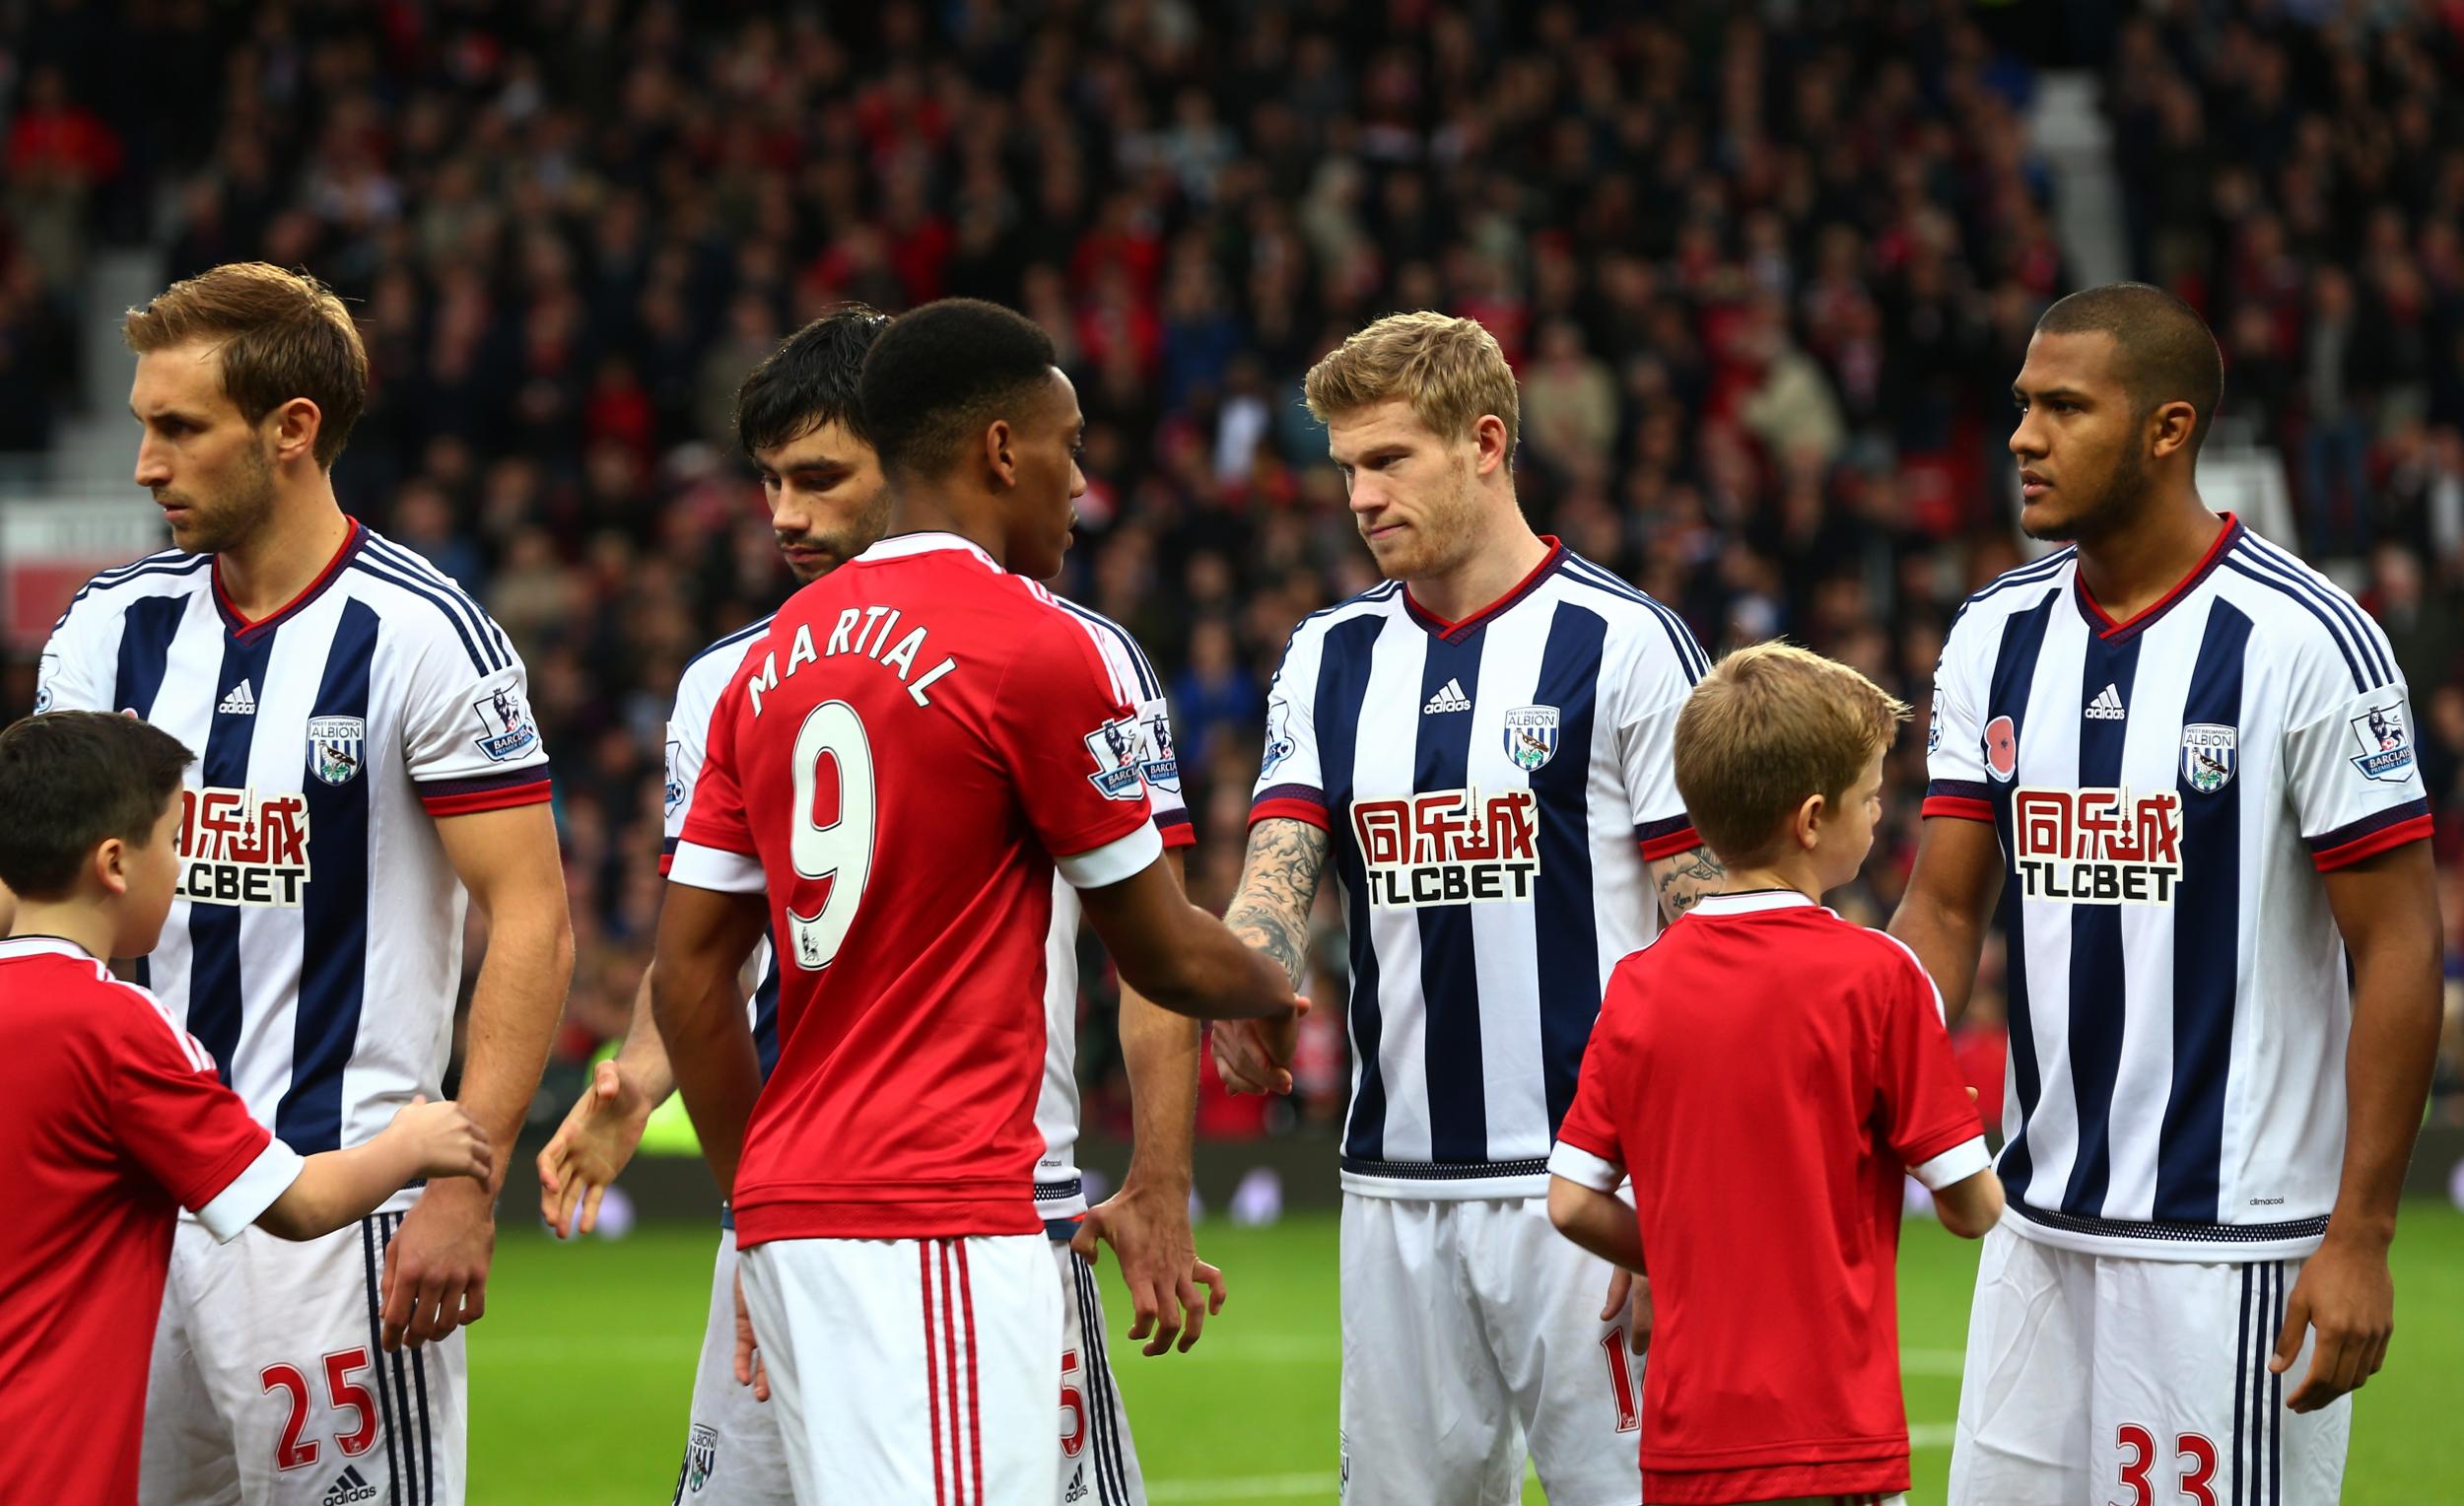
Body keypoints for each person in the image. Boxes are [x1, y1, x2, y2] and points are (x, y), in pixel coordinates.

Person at [533, 306, 1217, 1506]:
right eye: (769, 482)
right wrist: (634, 1081)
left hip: (1000, 1202)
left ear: (907, 455)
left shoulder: (1077, 656)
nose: (784, 515)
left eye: (819, 477)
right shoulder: (729, 679)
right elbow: (708, 959)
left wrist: (1159, 1178)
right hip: (793, 1211)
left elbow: (1146, 948)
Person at [22, 262, 575, 1506]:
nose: (144, 466)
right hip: (128, 1205)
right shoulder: (111, 627)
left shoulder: (424, 636)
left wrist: (458, 1180)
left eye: (177, 429)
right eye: (141, 427)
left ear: (292, 430)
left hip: (339, 1212)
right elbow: (39, 897)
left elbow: (531, 914)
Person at [1889, 283, 2443, 1504]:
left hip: (2229, 1245)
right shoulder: (1994, 631)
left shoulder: (2306, 639)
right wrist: (1855, 1089)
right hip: (2034, 1227)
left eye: (2064, 408)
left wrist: (2360, 1234)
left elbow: (2399, 944)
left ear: (2167, 429)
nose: (2023, 437)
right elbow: (1940, 911)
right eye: (2022, 405)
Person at [1210, 311, 1728, 1506]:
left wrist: (1681, 1204)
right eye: (1344, 466)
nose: (1357, 495)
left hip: (1590, 1190)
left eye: (1387, 459)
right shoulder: (1329, 655)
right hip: (1393, 1191)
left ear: (1486, 441)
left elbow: (1709, 934)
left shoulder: (1627, 644)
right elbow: (1280, 862)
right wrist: (1250, 973)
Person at [1544, 643, 2004, 1506]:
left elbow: (1570, 1201)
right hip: (1832, 1444)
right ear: (1814, 818)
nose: (1880, 815)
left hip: (1686, 1446)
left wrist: (1689, 1258)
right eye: (1872, 797)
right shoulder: (1880, 977)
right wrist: (1954, 1122)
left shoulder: (1638, 983)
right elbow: (1971, 1211)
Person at [0, 710, 493, 1506]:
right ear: (116, 864)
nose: (183, 866)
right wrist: (410, 1144)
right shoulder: (117, 1026)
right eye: (173, 840)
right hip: (55, 1465)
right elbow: (295, 1204)